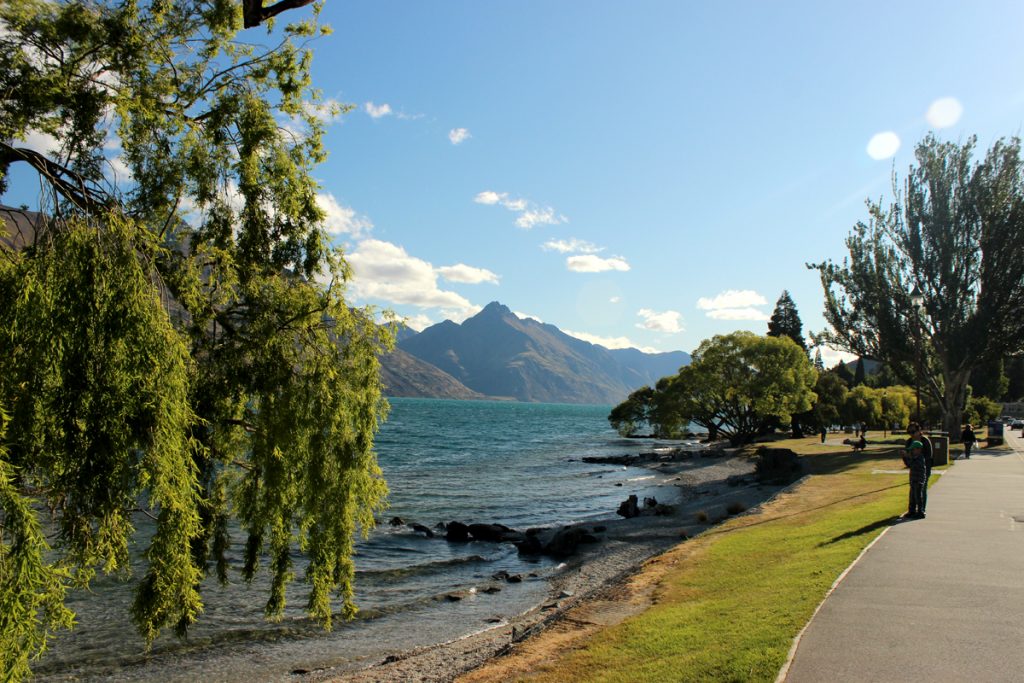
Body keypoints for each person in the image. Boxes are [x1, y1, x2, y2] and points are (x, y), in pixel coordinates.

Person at [904, 423, 933, 516]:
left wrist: (915, 459)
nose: (911, 434)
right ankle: (912, 510)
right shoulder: (909, 442)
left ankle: (921, 510)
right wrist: (905, 457)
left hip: (924, 470)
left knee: (922, 489)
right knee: (912, 490)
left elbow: (929, 456)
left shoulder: (925, 441)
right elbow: (908, 458)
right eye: (909, 432)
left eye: (913, 431)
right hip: (914, 471)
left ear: (919, 431)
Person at [901, 439, 927, 519]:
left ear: (918, 449)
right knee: (912, 496)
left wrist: (907, 457)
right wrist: (904, 458)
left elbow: (913, 464)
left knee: (918, 497)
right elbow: (909, 464)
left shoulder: (920, 458)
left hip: (918, 480)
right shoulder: (915, 457)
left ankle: (920, 512)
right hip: (913, 479)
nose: (912, 451)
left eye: (913, 449)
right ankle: (911, 511)